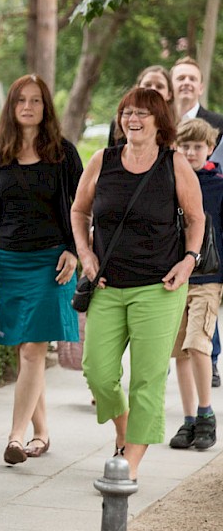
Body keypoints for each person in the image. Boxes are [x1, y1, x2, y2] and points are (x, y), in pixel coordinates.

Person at [71, 87, 205, 481]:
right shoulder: (102, 161)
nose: (133, 119)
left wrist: (189, 261)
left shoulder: (174, 164)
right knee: (97, 371)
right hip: (107, 286)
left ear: (159, 122)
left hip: (159, 288)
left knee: (147, 379)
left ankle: (127, 467)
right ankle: (127, 433)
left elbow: (196, 219)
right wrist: (86, 254)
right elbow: (79, 210)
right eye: (127, 112)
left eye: (143, 114)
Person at [0, 74, 83, 465]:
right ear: (11, 106)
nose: (27, 107)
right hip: (8, 261)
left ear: (45, 107)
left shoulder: (63, 153)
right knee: (25, 350)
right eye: (21, 100)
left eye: (35, 100)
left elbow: (82, 205)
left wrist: (74, 250)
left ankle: (15, 437)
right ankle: (42, 432)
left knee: (34, 349)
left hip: (51, 262)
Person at [168, 117, 223, 451]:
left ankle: (206, 414)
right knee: (180, 352)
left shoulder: (218, 183)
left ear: (210, 148)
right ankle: (188, 419)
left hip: (209, 276)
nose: (190, 152)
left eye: (197, 147)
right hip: (176, 278)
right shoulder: (169, 181)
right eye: (184, 146)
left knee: (198, 344)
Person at [171, 56, 223, 386]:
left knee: (199, 341)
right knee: (180, 347)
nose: (187, 84)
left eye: (192, 78)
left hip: (209, 266)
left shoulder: (216, 123)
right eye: (181, 78)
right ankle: (192, 413)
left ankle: (210, 370)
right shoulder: (161, 121)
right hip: (173, 265)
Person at [107, 65, 175, 146]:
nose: (152, 89)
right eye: (147, 85)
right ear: (137, 88)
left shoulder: (177, 124)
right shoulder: (119, 122)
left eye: (159, 86)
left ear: (169, 94)